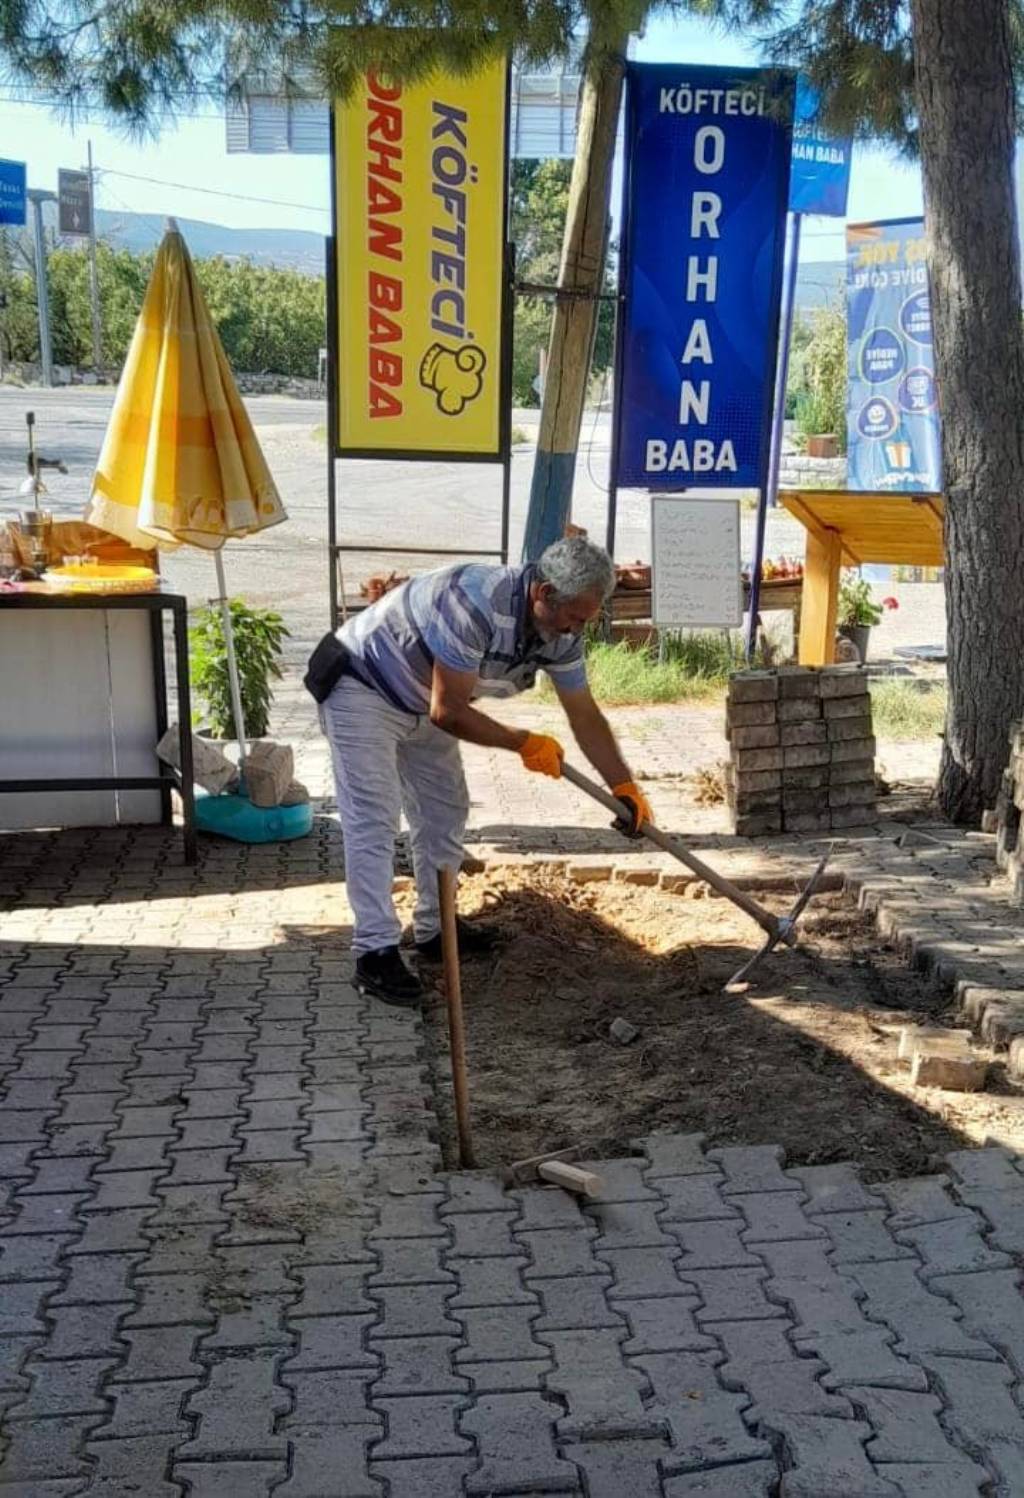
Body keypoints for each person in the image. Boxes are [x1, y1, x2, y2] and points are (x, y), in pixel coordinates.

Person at [322, 537, 653, 1006]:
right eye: (574, 617)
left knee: (445, 811)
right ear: (543, 593)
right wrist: (522, 742)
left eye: (586, 619)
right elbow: (449, 711)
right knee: (374, 816)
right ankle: (374, 953)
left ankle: (436, 929)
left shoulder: (562, 631)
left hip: (423, 696)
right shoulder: (474, 602)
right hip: (362, 685)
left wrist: (623, 785)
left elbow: (584, 714)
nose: (576, 630)